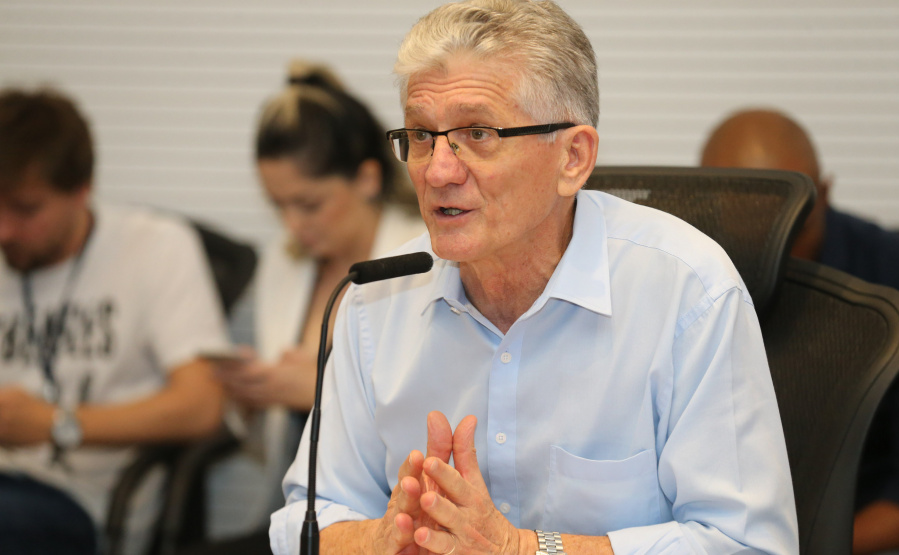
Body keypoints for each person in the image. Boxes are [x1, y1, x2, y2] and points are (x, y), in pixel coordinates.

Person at [270, 2, 798, 554]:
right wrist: (385, 538)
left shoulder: (688, 293)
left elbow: (749, 545)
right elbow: (305, 521)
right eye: (422, 136)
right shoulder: (375, 300)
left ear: (573, 156)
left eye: (478, 133)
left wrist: (523, 550)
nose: (438, 171)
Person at [198, 61, 426, 551]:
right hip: (297, 514)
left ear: (367, 178)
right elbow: (276, 444)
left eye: (308, 204)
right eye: (278, 205)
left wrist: (319, 391)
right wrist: (252, 394)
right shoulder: (284, 266)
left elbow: (442, 414)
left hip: (388, 522)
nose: (292, 225)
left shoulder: (419, 261)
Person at [0, 88, 229, 554]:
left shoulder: (154, 247)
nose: (4, 229)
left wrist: (56, 423)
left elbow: (202, 406)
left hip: (76, 501)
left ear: (81, 191)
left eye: (26, 209)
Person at [700, 108, 899, 555]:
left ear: (826, 193)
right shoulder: (677, 271)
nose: (766, 250)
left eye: (788, 225)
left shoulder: (898, 280)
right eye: (744, 226)